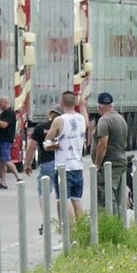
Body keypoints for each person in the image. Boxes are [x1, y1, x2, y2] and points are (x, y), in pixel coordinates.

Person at [44, 90, 87, 222]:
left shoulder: (59, 120)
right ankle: (81, 230)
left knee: (64, 199)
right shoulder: (82, 119)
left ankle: (71, 232)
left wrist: (55, 145)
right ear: (75, 103)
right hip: (78, 165)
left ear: (62, 103)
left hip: (64, 167)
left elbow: (47, 142)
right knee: (77, 200)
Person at [93, 92, 129, 211]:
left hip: (110, 163)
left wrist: (97, 164)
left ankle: (111, 222)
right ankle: (118, 221)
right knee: (117, 194)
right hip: (121, 160)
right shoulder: (121, 118)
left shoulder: (104, 120)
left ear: (100, 107)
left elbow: (102, 144)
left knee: (107, 194)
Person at [0, 97, 21, 189]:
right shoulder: (4, 113)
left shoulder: (10, 113)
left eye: (0, 104)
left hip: (4, 141)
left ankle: (18, 177)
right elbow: (0, 125)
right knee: (0, 162)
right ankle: (3, 182)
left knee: (5, 160)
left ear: (5, 103)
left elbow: (4, 125)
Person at [25, 108, 60, 186]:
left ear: (50, 115)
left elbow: (31, 147)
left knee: (44, 193)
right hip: (63, 164)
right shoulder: (65, 127)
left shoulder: (40, 127)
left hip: (47, 162)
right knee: (63, 194)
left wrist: (28, 164)